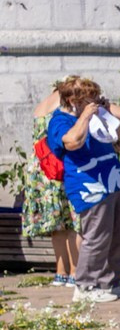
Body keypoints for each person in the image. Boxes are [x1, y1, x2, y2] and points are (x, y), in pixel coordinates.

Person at [45, 77, 120, 295]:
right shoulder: (60, 121)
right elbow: (72, 141)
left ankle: (109, 284)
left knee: (118, 235)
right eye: (89, 97)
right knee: (97, 238)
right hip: (89, 187)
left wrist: (116, 112)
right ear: (73, 100)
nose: (94, 101)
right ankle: (85, 286)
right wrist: (84, 116)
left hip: (111, 181)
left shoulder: (95, 116)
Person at [21, 87, 75, 285]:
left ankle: (61, 272)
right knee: (71, 221)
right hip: (59, 167)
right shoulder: (64, 106)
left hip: (40, 168)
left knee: (57, 225)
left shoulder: (41, 105)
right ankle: (76, 273)